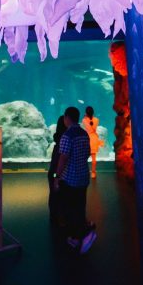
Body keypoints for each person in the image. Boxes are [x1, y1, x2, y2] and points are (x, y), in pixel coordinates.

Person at [54, 106, 97, 254]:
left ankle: (78, 238)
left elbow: (63, 158)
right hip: (83, 177)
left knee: (70, 210)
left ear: (67, 118)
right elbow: (87, 154)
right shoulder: (84, 134)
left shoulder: (67, 136)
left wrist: (56, 177)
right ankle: (82, 234)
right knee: (80, 207)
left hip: (70, 180)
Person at [47, 116, 68, 224]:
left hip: (53, 173)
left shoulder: (58, 139)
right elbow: (60, 161)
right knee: (59, 195)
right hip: (57, 174)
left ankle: (53, 216)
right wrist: (57, 177)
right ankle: (59, 218)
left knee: (53, 195)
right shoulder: (64, 140)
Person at [82, 106, 102, 179]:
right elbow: (93, 128)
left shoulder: (84, 120)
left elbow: (89, 129)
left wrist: (85, 118)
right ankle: (93, 172)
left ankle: (84, 171)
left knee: (84, 157)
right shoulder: (96, 120)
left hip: (88, 138)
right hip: (94, 138)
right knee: (94, 157)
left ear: (86, 112)